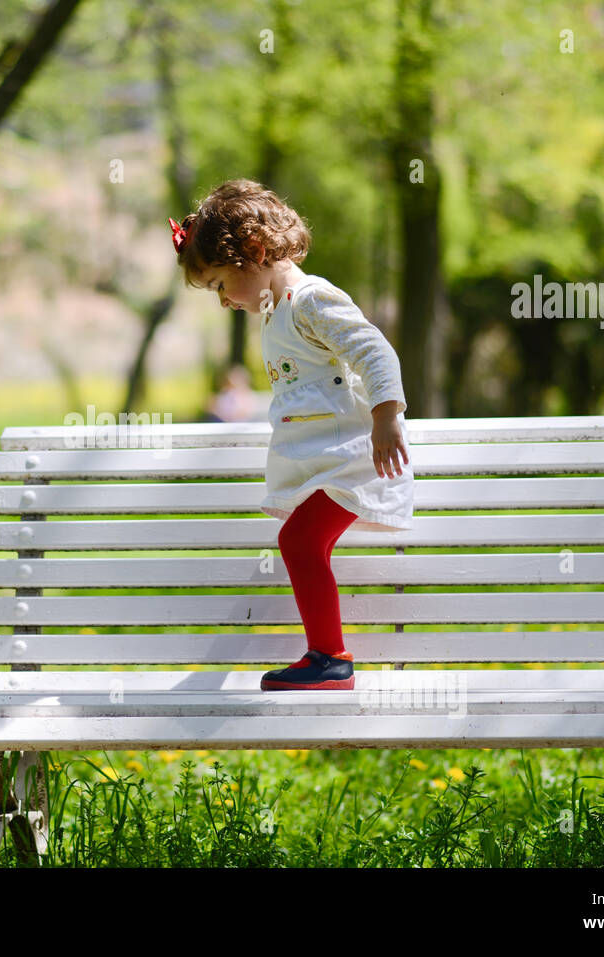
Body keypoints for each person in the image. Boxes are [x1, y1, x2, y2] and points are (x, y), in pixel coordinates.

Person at [170, 179, 414, 691]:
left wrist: (387, 417)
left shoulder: (310, 300)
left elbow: (375, 352)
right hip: (331, 461)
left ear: (254, 253)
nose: (222, 300)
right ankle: (327, 656)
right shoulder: (277, 313)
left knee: (299, 540)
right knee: (301, 542)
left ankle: (330, 658)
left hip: (355, 457)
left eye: (219, 284)